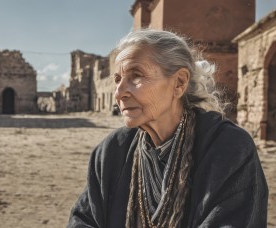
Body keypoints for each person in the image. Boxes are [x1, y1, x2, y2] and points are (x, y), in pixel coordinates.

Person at [67, 29, 268, 228]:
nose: (119, 93)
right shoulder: (111, 151)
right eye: (118, 80)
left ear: (179, 83)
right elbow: (83, 220)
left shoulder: (228, 148)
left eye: (136, 76)